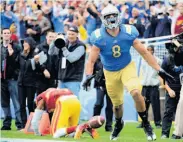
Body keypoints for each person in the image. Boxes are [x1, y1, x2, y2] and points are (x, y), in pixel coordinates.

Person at [83, 4, 173, 141]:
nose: (112, 19)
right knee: (117, 106)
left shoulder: (129, 31)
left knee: (136, 92)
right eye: (108, 16)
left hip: (127, 67)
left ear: (118, 17)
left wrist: (159, 69)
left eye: (114, 15)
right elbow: (90, 61)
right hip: (110, 72)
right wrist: (89, 75)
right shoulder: (98, 36)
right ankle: (119, 123)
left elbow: (144, 52)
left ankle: (146, 124)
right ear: (103, 19)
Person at [50, 25, 86, 98]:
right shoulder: (63, 42)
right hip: (62, 79)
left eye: (73, 34)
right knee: (61, 102)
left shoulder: (81, 46)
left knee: (73, 103)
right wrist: (54, 41)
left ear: (77, 34)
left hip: (73, 80)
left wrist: (63, 48)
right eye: (69, 34)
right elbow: (51, 52)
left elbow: (71, 58)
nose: (70, 36)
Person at [1, 28, 22, 130]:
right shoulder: (0, 47)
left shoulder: (16, 47)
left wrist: (11, 54)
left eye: (8, 33)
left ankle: (19, 124)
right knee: (4, 103)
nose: (6, 35)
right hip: (1, 80)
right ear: (1, 35)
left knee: (16, 102)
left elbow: (18, 64)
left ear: (10, 35)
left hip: (13, 78)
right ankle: (6, 124)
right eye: (4, 33)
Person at [137, 45, 162, 129]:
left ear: (153, 51)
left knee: (155, 105)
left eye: (150, 50)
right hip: (145, 86)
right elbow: (143, 73)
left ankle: (157, 123)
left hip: (153, 86)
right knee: (143, 106)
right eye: (147, 50)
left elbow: (160, 73)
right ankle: (143, 122)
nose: (148, 51)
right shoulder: (143, 60)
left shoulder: (158, 61)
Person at [160, 44, 182, 139]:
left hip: (181, 89)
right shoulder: (167, 59)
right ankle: (165, 133)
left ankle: (179, 132)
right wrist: (168, 90)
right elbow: (161, 77)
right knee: (169, 112)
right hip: (171, 88)